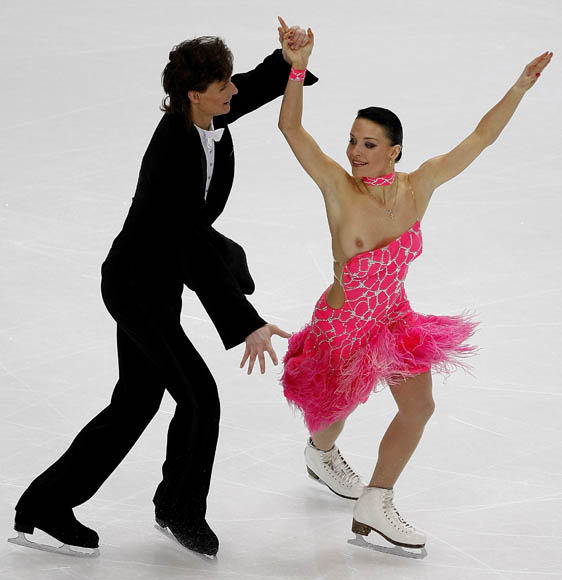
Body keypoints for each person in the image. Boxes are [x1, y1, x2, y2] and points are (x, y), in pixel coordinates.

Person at [9, 23, 318, 559]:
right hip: (137, 287)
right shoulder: (174, 149)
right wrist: (244, 320)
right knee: (200, 399)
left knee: (135, 402)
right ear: (195, 95)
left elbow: (253, 83)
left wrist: (290, 60)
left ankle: (45, 506)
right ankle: (178, 509)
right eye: (222, 86)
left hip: (154, 279)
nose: (232, 91)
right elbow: (191, 249)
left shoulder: (203, 113)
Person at [277, 20, 552, 550]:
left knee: (419, 406)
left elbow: (481, 137)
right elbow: (292, 130)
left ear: (395, 151)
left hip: (394, 316)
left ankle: (376, 503)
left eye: (369, 144)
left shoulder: (418, 186)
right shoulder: (338, 188)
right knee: (335, 415)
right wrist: (297, 67)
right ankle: (320, 452)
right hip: (342, 325)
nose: (355, 152)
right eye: (353, 141)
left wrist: (518, 87)